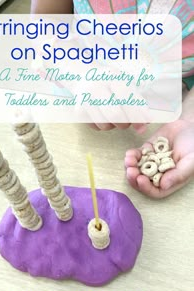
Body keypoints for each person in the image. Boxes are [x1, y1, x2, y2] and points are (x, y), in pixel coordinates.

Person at [31, 0, 194, 198]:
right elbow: (45, 20)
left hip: (176, 113)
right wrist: (77, 72)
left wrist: (189, 121)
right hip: (75, 113)